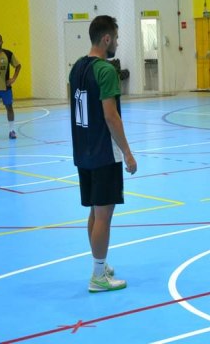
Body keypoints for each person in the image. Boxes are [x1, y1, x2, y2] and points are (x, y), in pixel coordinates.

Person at [69, 15, 137, 292]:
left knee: (96, 213)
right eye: (117, 38)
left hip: (83, 151)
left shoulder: (77, 68)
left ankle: (100, 264)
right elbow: (112, 117)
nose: (117, 43)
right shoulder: (106, 71)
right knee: (104, 215)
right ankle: (98, 277)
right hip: (103, 153)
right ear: (106, 38)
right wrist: (128, 154)